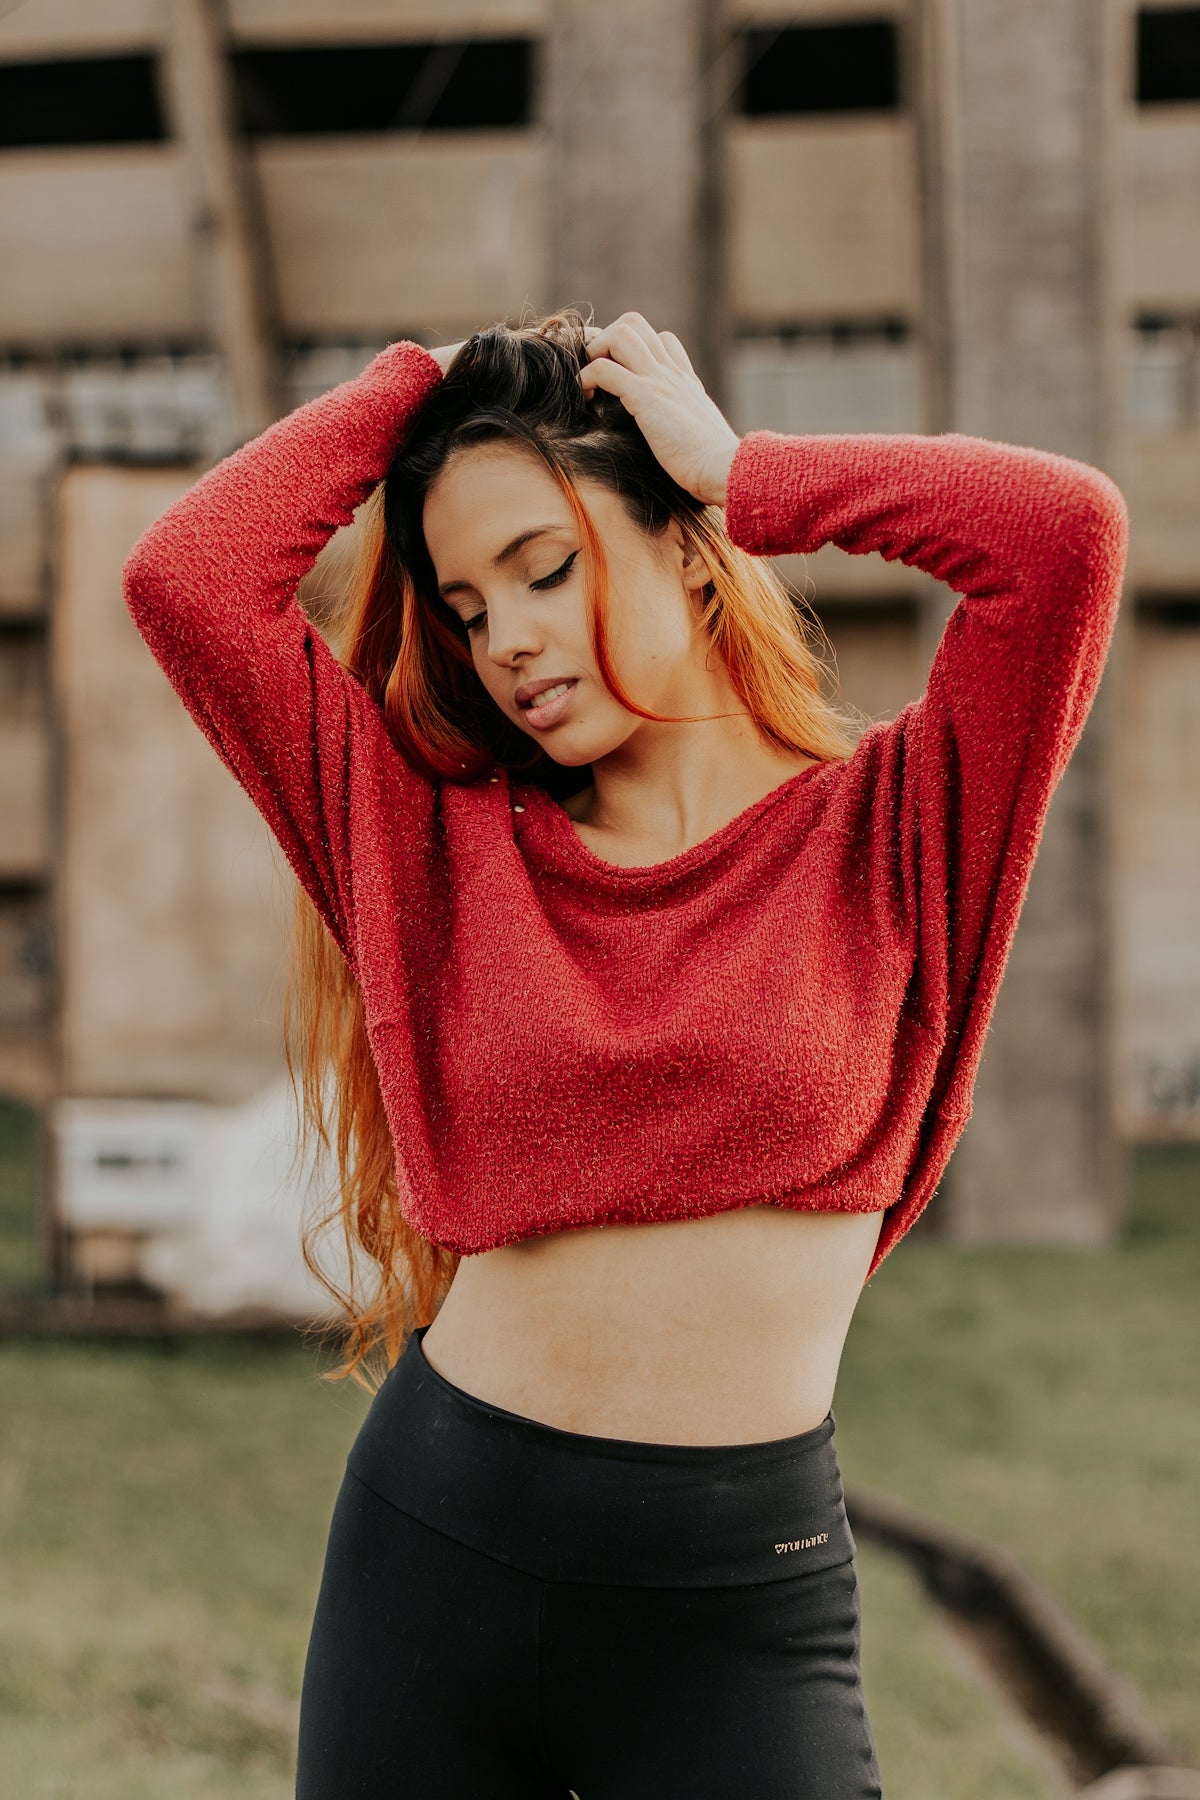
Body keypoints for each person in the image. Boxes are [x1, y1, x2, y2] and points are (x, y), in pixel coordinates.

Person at [121, 307, 1129, 1798]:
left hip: (734, 1608)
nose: (509, 640)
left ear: (687, 546)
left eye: (545, 568)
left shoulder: (897, 827)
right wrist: (425, 379)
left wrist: (747, 472)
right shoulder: (434, 851)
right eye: (468, 608)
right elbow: (189, 578)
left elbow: (1062, 538)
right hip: (434, 1559)